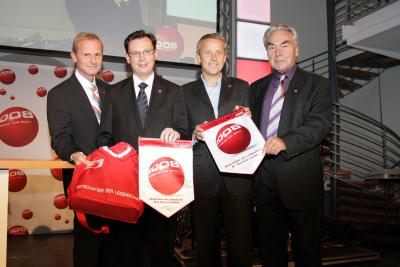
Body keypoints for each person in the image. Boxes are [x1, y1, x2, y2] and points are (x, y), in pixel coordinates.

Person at [97, 29, 187, 267]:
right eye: (135, 53)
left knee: (161, 253)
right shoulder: (113, 93)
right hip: (126, 189)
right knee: (127, 253)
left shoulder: (173, 91)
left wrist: (177, 133)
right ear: (127, 58)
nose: (141, 57)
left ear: (155, 53)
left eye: (146, 51)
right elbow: (104, 137)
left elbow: (184, 131)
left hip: (163, 187)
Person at [249, 24, 332, 267]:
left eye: (284, 45)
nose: (278, 52)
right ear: (267, 53)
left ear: (297, 49)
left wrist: (286, 141)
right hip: (263, 181)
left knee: (306, 251)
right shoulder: (256, 88)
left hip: (300, 181)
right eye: (271, 47)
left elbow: (319, 125)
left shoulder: (317, 85)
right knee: (270, 251)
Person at [182, 33, 252, 267]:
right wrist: (192, 134)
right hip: (202, 177)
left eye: (219, 52)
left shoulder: (242, 87)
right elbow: (179, 132)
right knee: (205, 245)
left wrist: (248, 121)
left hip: (238, 176)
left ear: (225, 58)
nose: (214, 57)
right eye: (208, 52)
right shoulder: (183, 92)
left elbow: (254, 131)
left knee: (241, 244)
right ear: (198, 57)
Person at [47, 32, 113, 267]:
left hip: (114, 181)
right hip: (82, 177)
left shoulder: (111, 92)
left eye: (97, 54)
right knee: (88, 246)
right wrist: (74, 154)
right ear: (73, 56)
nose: (93, 60)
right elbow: (60, 137)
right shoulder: (59, 94)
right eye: (87, 54)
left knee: (113, 247)